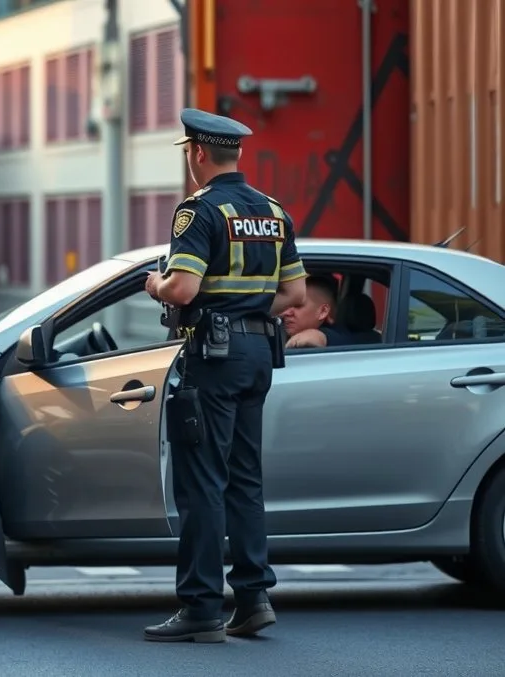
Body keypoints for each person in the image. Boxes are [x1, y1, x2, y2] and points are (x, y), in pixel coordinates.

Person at [142, 108, 308, 644]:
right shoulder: (272, 210)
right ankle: (254, 598)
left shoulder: (200, 211)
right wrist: (249, 304)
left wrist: (154, 285)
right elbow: (296, 296)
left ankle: (200, 607)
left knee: (202, 483)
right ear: (234, 153)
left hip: (213, 356)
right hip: (259, 353)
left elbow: (184, 289)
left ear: (196, 154)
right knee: (244, 478)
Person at [283, 274, 352, 349]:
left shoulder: (342, 339)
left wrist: (319, 336)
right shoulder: (277, 327)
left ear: (323, 311)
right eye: (287, 305)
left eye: (298, 306)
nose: (286, 313)